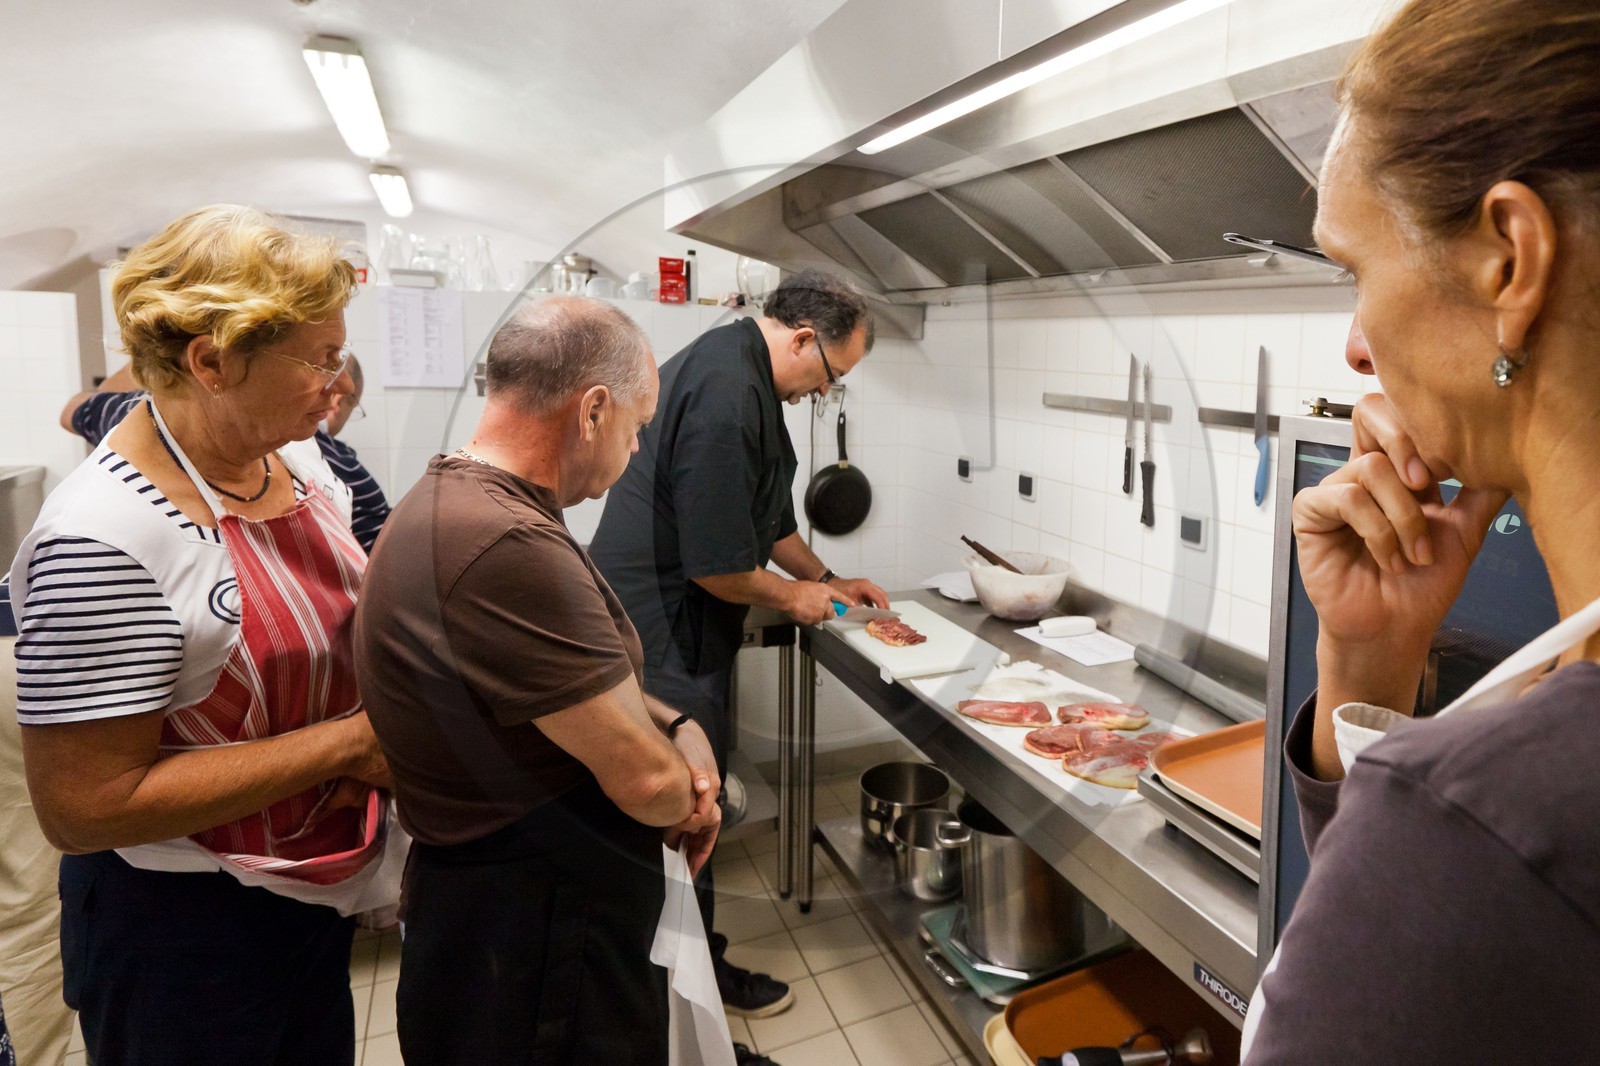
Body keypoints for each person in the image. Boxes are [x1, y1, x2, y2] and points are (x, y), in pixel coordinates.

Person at [1240, 1, 1600, 1060]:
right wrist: (1372, 655)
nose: (1355, 348)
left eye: (1354, 268)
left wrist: (1415, 804)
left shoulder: (1476, 824)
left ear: (1507, 257)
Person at [9, 204, 397, 1066]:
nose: (338, 385)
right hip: (180, 932)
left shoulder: (300, 459)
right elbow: (83, 806)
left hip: (301, 893)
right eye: (321, 360)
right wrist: (346, 745)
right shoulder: (104, 538)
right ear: (212, 361)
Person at [353, 296, 724, 1065]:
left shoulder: (449, 498)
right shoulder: (503, 543)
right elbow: (647, 788)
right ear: (592, 411)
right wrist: (685, 788)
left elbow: (559, 682)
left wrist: (679, 726)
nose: (634, 449)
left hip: (497, 914)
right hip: (535, 932)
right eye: (637, 426)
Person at [588, 268, 888, 1028]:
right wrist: (796, 598)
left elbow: (769, 521)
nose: (826, 392)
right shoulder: (727, 392)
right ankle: (682, 1011)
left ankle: (692, 988)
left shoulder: (744, 372)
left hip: (681, 624)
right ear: (802, 337)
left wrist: (828, 577)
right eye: (832, 374)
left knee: (686, 814)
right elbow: (719, 565)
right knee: (686, 813)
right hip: (662, 635)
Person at [62, 351, 391, 553]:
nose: (343, 387)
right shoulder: (91, 526)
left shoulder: (316, 466)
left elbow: (74, 409)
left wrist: (152, 359)